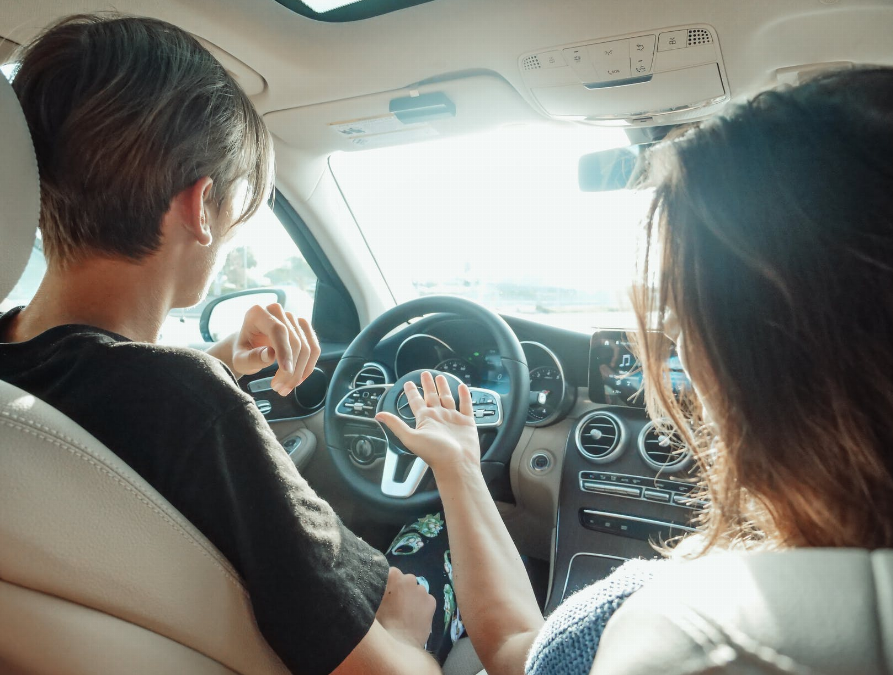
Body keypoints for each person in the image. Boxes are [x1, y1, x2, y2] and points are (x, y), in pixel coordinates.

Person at [0, 14, 441, 675]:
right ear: (201, 206)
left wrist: (218, 359)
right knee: (431, 547)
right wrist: (406, 628)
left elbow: (94, 391)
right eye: (240, 209)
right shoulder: (196, 408)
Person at [376, 66, 893, 675]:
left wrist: (404, 641)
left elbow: (514, 647)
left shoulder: (660, 624)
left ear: (739, 363)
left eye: (682, 322)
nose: (675, 348)